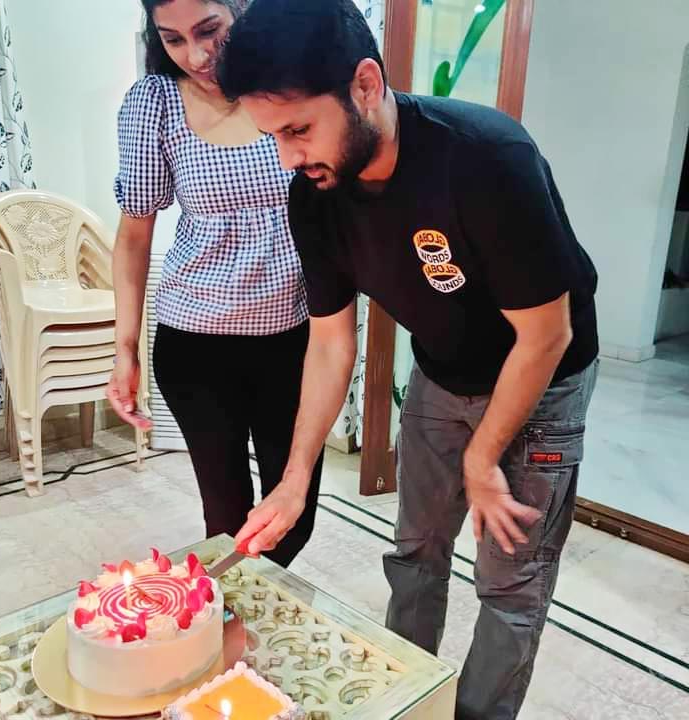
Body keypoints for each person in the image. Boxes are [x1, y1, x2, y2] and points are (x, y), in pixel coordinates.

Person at [217, 1, 600, 717]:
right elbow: (331, 342)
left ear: (365, 85)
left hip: (543, 380)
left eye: (298, 130)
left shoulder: (486, 157)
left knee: (510, 585)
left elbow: (546, 336)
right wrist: (294, 481)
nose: (288, 158)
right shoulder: (316, 196)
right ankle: (405, 701)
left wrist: (483, 455)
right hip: (441, 371)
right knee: (416, 553)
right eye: (272, 137)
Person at [106, 0, 323, 568]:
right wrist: (124, 349)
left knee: (292, 517)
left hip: (294, 338)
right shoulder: (154, 103)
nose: (196, 55)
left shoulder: (290, 88)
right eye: (173, 39)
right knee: (225, 519)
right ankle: (228, 617)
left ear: (241, 10)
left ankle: (248, 600)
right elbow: (134, 236)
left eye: (210, 31)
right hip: (195, 342)